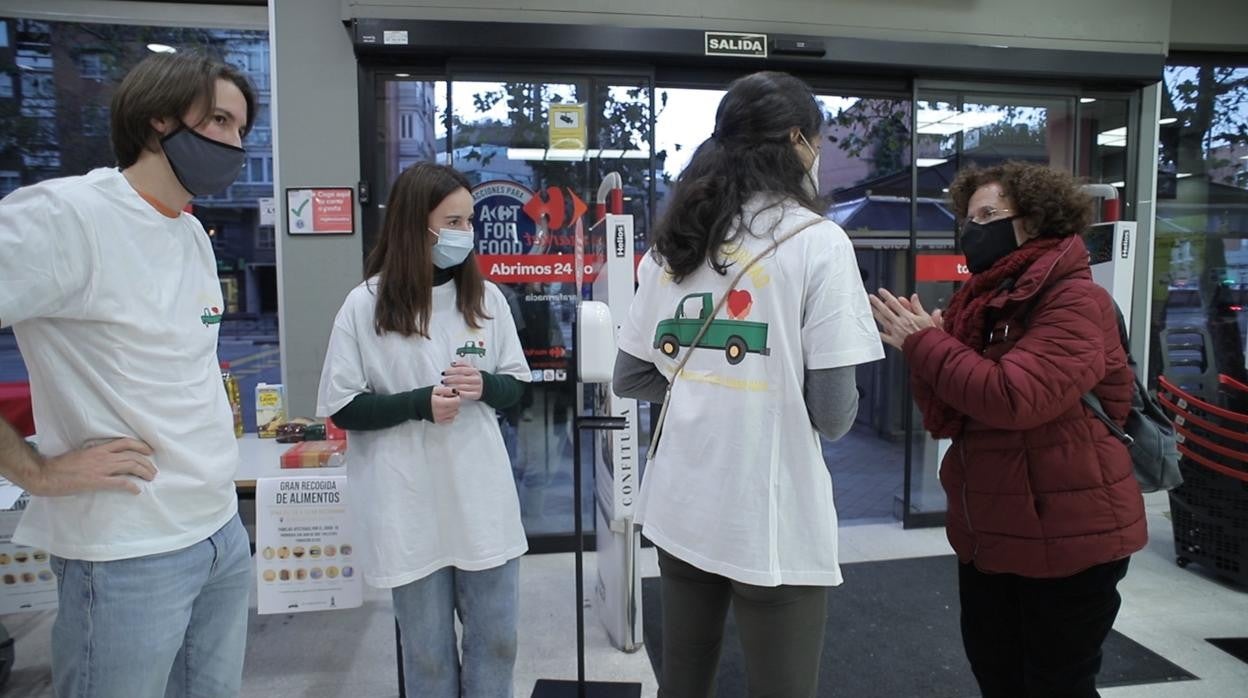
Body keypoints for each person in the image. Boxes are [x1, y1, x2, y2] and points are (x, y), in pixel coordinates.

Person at [613, 71, 884, 697]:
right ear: (796, 141)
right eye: (816, 139)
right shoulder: (819, 243)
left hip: (680, 503)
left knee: (683, 679)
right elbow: (834, 416)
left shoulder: (676, 243)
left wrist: (709, 386)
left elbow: (631, 375)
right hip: (769, 516)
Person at [0, 51, 256, 696]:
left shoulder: (191, 235)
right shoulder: (67, 215)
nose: (235, 143)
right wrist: (35, 471)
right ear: (157, 118)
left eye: (241, 129)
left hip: (219, 528)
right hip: (127, 548)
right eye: (219, 121)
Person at [869, 161, 1147, 698]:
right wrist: (927, 348)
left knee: (1056, 684)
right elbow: (950, 413)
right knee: (997, 676)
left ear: (1035, 219)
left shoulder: (1075, 300)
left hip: (1071, 534)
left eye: (987, 215)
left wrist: (928, 344)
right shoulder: (986, 302)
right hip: (995, 532)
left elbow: (1014, 398)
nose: (973, 230)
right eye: (968, 219)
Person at [316, 162, 531, 698]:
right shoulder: (365, 304)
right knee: (428, 658)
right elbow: (343, 407)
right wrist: (418, 404)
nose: (465, 233)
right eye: (452, 222)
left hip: (481, 501)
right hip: (407, 506)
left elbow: (518, 387)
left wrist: (485, 384)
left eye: (469, 221)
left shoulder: (486, 300)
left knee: (498, 641)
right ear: (416, 225)